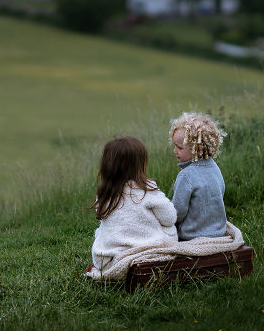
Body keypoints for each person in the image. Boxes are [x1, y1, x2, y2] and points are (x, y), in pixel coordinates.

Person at [86, 135, 177, 277]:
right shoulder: (147, 189)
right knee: (169, 227)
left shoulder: (104, 192)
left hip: (108, 259)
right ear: (139, 165)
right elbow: (170, 218)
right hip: (150, 251)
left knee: (103, 229)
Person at [169, 112, 228, 240]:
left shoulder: (186, 176)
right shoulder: (215, 168)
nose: (175, 151)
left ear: (197, 149)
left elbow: (177, 212)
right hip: (218, 232)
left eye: (179, 147)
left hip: (192, 236)